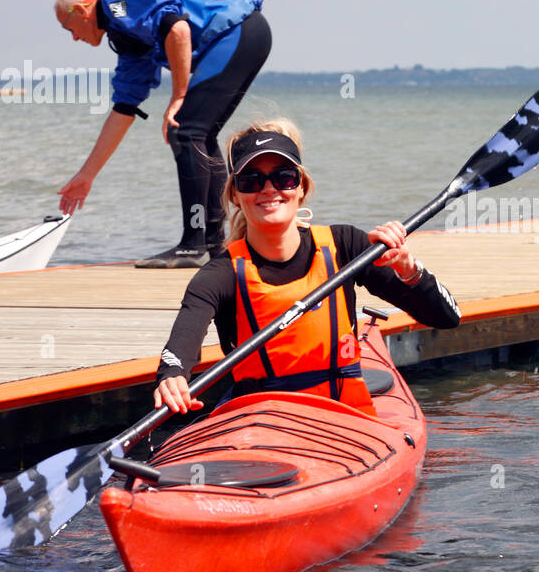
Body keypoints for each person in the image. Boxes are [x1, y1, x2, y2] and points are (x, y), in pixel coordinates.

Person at [153, 120, 461, 416]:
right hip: (262, 421)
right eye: (251, 180)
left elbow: (446, 318)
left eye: (284, 177)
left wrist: (410, 271)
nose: (269, 189)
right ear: (235, 194)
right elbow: (179, 350)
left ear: (302, 187)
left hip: (348, 417)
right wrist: (172, 377)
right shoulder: (220, 275)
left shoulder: (346, 246)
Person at [54, 0, 271, 267]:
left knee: (185, 129)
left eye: (68, 28)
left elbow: (178, 29)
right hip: (246, 36)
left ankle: (193, 245)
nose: (73, 37)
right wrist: (86, 175)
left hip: (236, 33)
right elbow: (124, 109)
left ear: (82, 9)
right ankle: (214, 243)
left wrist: (178, 96)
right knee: (197, 133)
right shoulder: (128, 34)